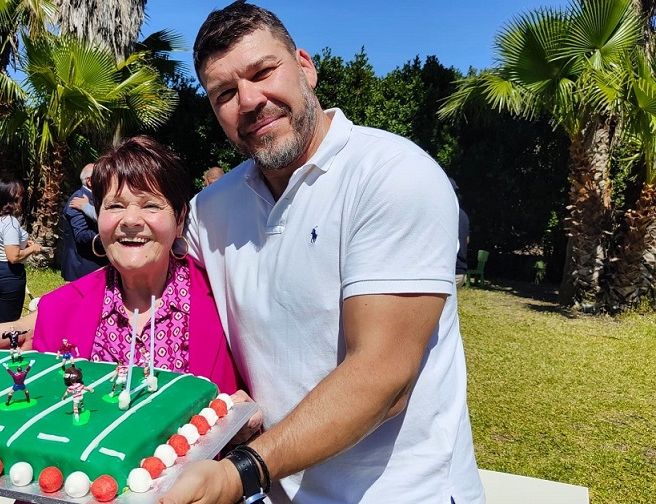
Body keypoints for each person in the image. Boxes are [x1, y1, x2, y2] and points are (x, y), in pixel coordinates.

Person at [162, 3, 484, 504]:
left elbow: (383, 377)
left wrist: (242, 472)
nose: (249, 101)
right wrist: (37, 325)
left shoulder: (391, 175)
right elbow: (166, 297)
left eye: (263, 72)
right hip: (280, 491)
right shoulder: (211, 208)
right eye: (225, 93)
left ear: (305, 67)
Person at [0, 136, 245, 399]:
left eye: (151, 206)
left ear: (180, 218)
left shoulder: (224, 298)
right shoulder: (61, 309)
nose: (130, 220)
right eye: (116, 206)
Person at [0, 178, 42, 323]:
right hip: (9, 274)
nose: (22, 198)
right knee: (9, 325)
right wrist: (33, 248)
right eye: (20, 195)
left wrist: (23, 242)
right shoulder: (10, 222)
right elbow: (13, 257)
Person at [59, 163, 108, 281]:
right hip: (84, 267)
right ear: (89, 181)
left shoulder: (95, 198)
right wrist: (109, 237)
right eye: (102, 176)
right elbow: (82, 235)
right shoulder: (77, 200)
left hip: (97, 265)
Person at [451, 178, 470, 288]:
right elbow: (467, 240)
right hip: (461, 271)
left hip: (449, 272)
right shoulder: (463, 214)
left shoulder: (444, 212)